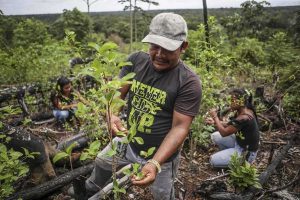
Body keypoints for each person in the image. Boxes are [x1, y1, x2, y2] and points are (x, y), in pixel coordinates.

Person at [84, 13, 202, 200]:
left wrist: (155, 163)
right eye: (155, 46)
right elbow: (117, 94)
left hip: (161, 156)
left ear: (183, 46)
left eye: (168, 49)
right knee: (102, 162)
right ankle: (89, 189)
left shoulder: (188, 82)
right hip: (129, 142)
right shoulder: (136, 61)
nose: (159, 55)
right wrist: (113, 115)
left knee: (162, 195)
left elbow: (180, 127)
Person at [206, 88, 260, 168]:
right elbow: (230, 125)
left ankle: (238, 162)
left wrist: (215, 116)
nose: (230, 103)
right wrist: (215, 122)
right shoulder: (244, 110)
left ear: (241, 101)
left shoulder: (244, 117)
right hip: (239, 144)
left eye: (232, 100)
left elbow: (224, 133)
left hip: (245, 153)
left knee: (212, 160)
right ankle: (227, 155)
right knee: (215, 136)